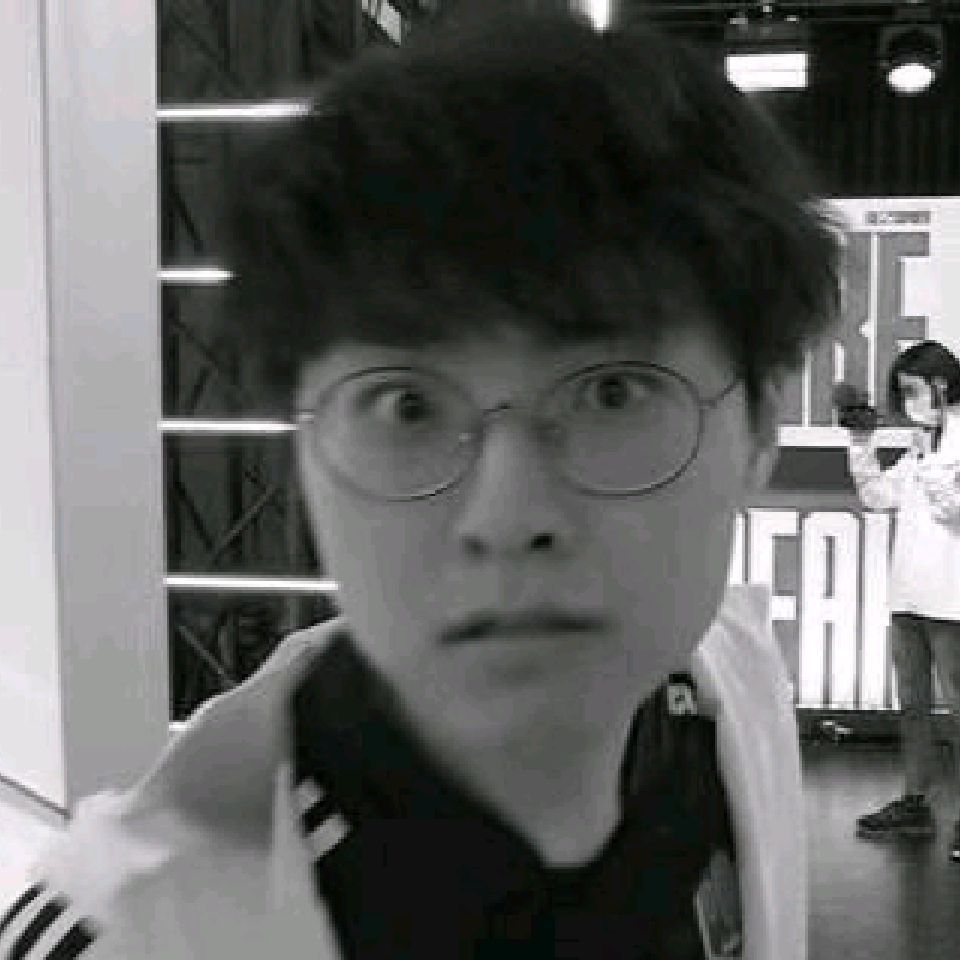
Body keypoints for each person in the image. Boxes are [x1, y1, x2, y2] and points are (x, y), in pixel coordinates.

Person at [1, 8, 841, 959]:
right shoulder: (138, 933)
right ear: (304, 444)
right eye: (406, 405)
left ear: (761, 425)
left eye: (612, 393)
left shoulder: (727, 688)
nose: (507, 516)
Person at [846, 340, 960, 863]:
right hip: (909, 595)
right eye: (903, 393)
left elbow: (954, 511)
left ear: (941, 386)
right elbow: (877, 497)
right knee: (913, 705)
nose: (907, 402)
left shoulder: (944, 446)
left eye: (913, 391)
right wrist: (861, 444)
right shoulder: (921, 446)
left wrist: (935, 457)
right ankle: (916, 802)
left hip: (953, 601)